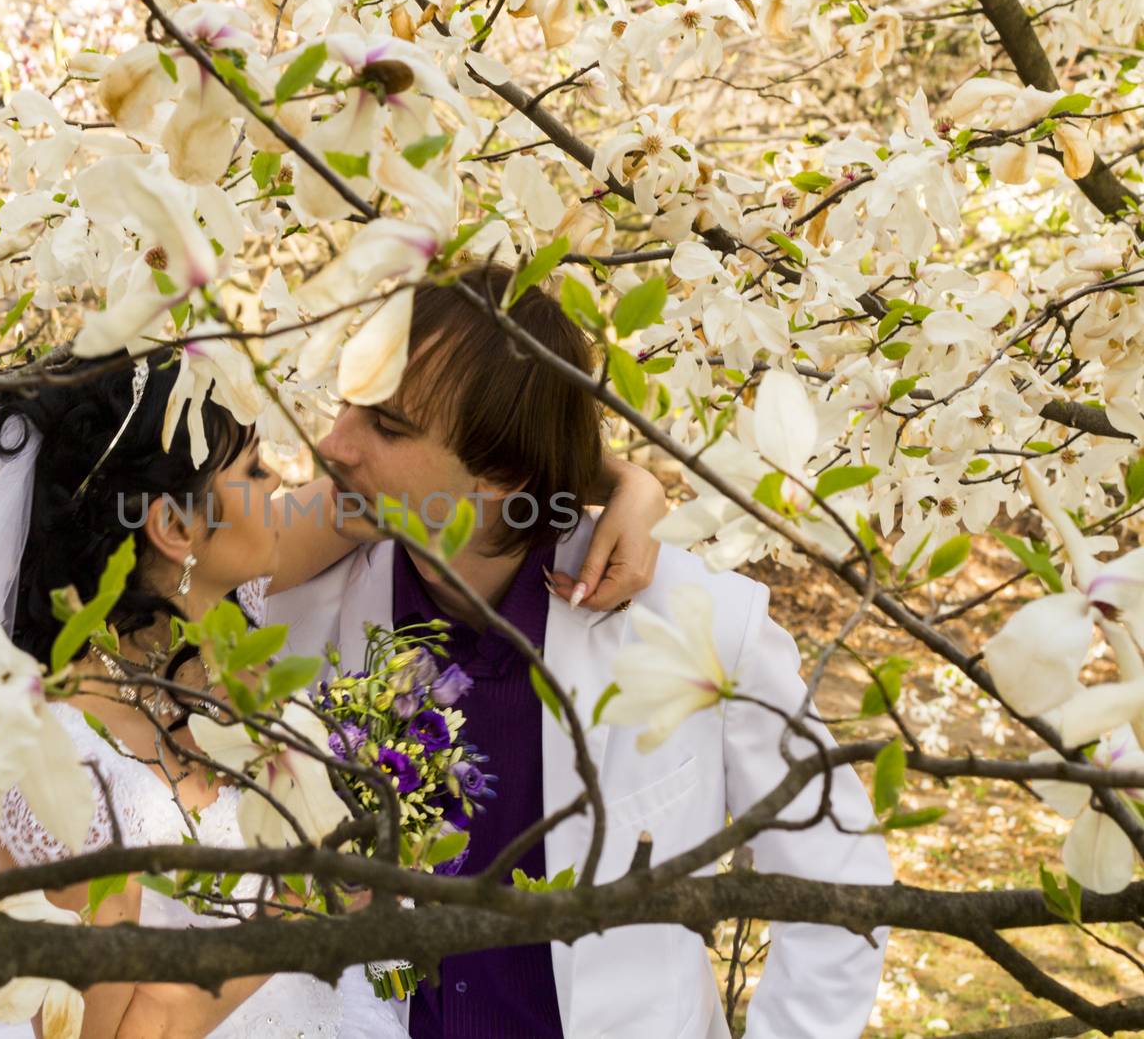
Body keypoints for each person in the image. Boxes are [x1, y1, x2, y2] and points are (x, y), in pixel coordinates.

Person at [0, 323, 668, 1036]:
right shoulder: (61, 760)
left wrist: (620, 482)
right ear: (172, 526)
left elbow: (451, 468)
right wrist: (303, 912)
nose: (294, 484)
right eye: (254, 468)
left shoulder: (225, 620)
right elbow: (112, 1030)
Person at [266, 262, 895, 1039]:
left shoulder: (697, 623)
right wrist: (622, 472)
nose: (333, 444)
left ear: (503, 472)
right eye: (347, 404)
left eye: (388, 426)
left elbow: (837, 884)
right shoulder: (303, 608)